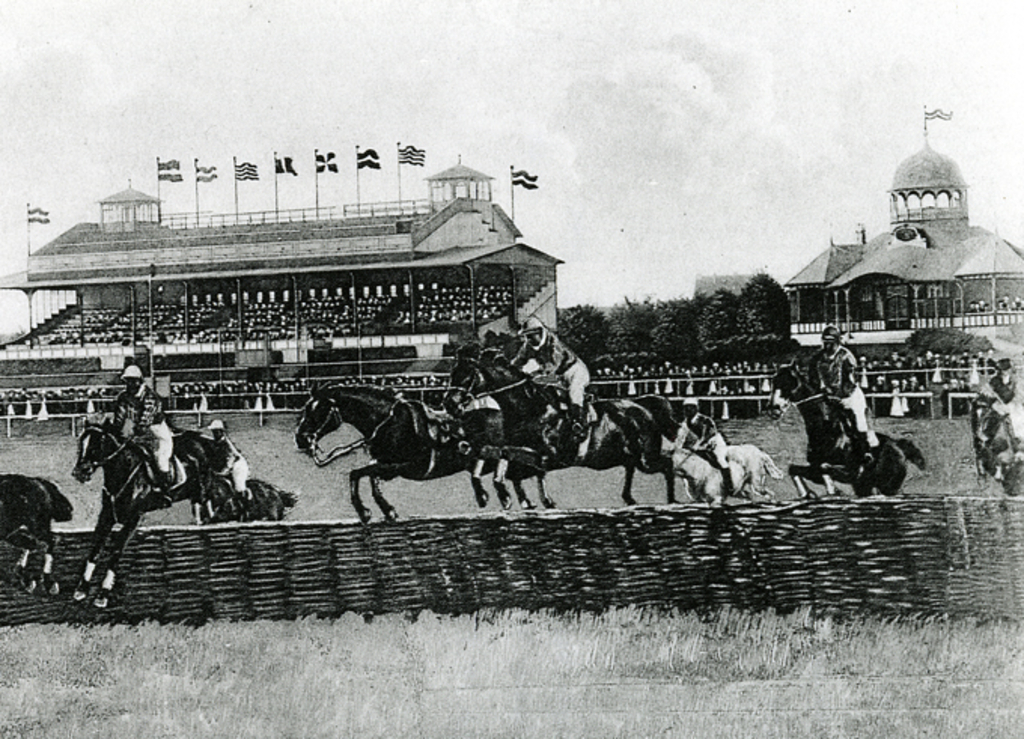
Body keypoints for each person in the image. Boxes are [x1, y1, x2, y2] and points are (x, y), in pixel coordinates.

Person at [808, 325, 879, 471]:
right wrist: (823, 391)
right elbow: (814, 378)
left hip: (849, 395)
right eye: (825, 341)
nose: (827, 345)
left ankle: (865, 451)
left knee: (858, 420)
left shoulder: (847, 357)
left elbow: (851, 381)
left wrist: (840, 396)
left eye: (831, 342)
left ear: (837, 341)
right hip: (829, 395)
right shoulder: (818, 358)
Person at [513, 315, 591, 441]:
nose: (528, 339)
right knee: (538, 386)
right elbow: (517, 361)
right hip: (557, 374)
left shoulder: (554, 343)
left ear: (539, 332)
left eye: (531, 335)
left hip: (574, 371)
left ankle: (578, 423)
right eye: (526, 336)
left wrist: (536, 373)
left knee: (574, 391)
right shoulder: (528, 345)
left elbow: (552, 366)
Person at [112, 364, 175, 506]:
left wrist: (134, 431)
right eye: (127, 380)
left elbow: (146, 419)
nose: (130, 384)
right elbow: (119, 417)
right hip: (134, 430)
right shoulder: (123, 397)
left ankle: (164, 491)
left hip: (156, 432)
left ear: (139, 381)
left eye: (133, 380)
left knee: (160, 458)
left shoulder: (150, 396)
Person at [680, 397, 732, 495]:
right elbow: (683, 435)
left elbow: (707, 434)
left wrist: (698, 445)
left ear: (696, 409)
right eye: (686, 408)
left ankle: (728, 485)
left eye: (691, 408)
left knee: (721, 460)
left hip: (714, 442)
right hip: (701, 444)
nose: (688, 410)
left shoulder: (705, 420)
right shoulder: (686, 422)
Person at [206, 419, 252, 510]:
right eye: (213, 432)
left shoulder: (226, 443)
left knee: (239, 488)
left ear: (221, 431)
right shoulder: (215, 442)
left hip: (237, 465)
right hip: (226, 466)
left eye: (216, 432)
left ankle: (247, 508)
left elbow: (232, 458)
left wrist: (222, 472)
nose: (214, 434)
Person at [979, 357, 1024, 447]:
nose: (1012, 370)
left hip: (1011, 403)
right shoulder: (995, 381)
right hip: (997, 404)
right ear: (1005, 370)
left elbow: (1019, 394)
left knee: (1017, 409)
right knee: (1009, 410)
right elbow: (1003, 396)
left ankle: (1019, 436)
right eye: (1010, 368)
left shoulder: (1015, 380)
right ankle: (988, 435)